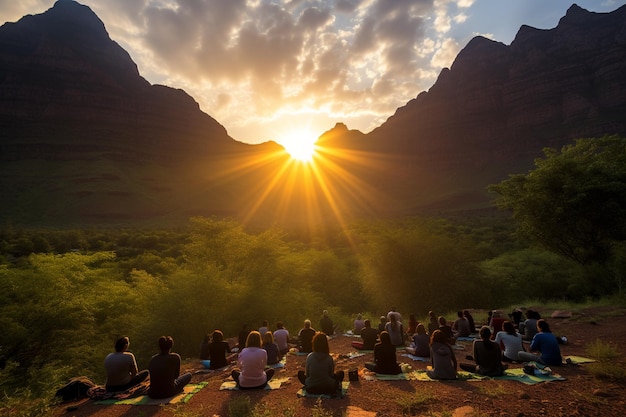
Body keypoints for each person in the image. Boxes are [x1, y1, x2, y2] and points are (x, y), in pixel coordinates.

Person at [298, 332, 344, 397]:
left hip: (311, 388)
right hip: (328, 388)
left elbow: (308, 374)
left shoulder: (310, 356)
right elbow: (331, 374)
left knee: (300, 373)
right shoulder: (329, 358)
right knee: (341, 373)